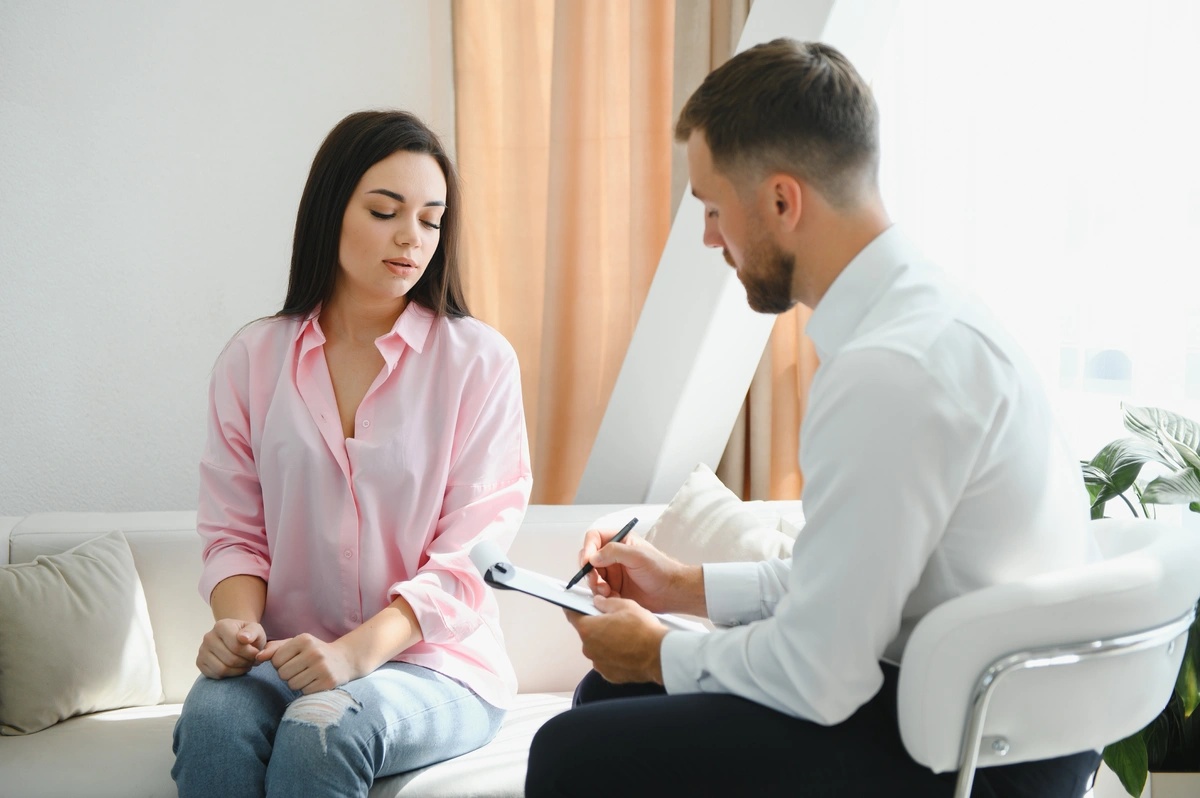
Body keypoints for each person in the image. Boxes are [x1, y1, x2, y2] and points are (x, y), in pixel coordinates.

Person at [525, 39, 1100, 797]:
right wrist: (687, 587)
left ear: (781, 202)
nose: (709, 238)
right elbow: (851, 578)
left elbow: (820, 675)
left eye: (712, 209)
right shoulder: (928, 317)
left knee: (571, 753)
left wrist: (658, 651)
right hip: (988, 711)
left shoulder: (890, 368)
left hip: (977, 753)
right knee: (609, 696)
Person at [171, 110, 532, 798]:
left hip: (434, 665)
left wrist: (354, 654)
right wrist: (235, 627)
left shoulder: (479, 362)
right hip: (287, 658)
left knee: (325, 727)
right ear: (330, 211)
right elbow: (235, 532)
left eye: (431, 220)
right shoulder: (252, 359)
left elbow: (471, 556)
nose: (411, 237)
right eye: (385, 211)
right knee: (213, 722)